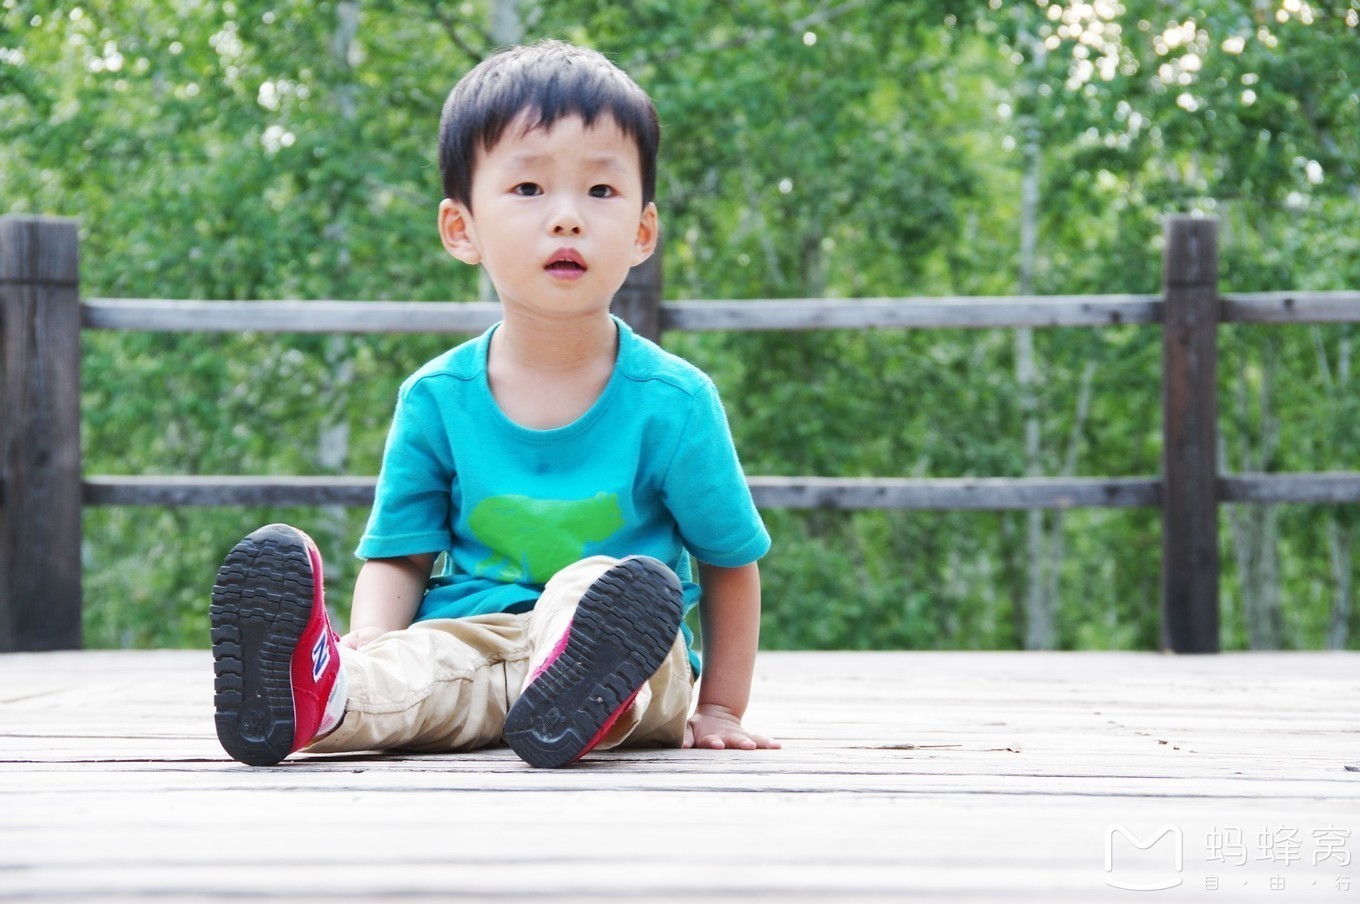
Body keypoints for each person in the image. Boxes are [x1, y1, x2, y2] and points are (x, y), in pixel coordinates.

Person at [209, 40, 778, 769]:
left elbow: (730, 561)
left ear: (642, 231)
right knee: (411, 675)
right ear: (462, 228)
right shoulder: (436, 399)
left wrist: (722, 708)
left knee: (604, 586)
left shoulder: (675, 403)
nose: (567, 218)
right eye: (529, 189)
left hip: (632, 666)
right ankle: (319, 693)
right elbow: (400, 556)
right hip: (472, 639)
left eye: (601, 192)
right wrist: (379, 644)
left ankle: (584, 683)